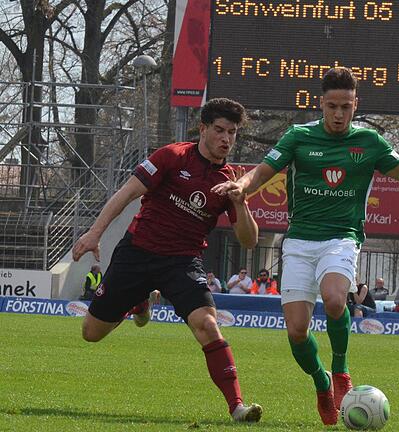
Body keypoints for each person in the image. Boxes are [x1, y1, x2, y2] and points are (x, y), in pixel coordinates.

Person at [211, 67, 399, 425]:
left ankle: (341, 371)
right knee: (296, 330)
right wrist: (242, 186)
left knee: (334, 298)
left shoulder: (369, 143)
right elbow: (262, 172)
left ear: (356, 104)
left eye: (346, 106)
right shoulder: (298, 137)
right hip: (298, 240)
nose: (339, 114)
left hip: (341, 236)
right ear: (321, 104)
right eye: (332, 106)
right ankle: (322, 382)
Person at [71, 98, 262, 422]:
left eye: (232, 132)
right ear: (202, 129)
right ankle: (139, 302)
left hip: (183, 262)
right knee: (91, 332)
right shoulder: (172, 157)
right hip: (138, 253)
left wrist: (241, 203)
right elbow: (126, 193)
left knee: (207, 325)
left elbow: (249, 240)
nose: (226, 139)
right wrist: (94, 234)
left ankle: (237, 407)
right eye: (219, 130)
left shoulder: (230, 181)